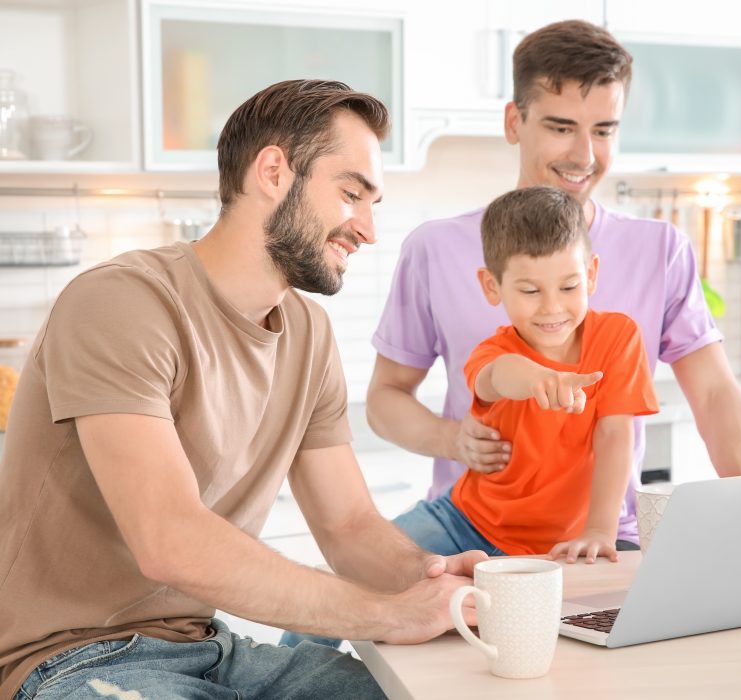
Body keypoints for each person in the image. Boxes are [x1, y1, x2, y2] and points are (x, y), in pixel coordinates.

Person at [0, 79, 486, 700]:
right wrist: (388, 614)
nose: (367, 228)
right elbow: (169, 541)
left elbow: (348, 526)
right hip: (70, 659)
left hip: (209, 649)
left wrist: (438, 580)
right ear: (274, 172)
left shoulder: (309, 334)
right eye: (350, 193)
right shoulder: (122, 303)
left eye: (373, 203)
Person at [367, 19, 741, 550]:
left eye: (604, 130)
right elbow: (384, 398)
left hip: (600, 542)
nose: (584, 155)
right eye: (561, 127)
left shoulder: (660, 250)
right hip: (468, 531)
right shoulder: (435, 249)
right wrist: (453, 439)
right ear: (514, 121)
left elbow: (715, 395)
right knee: (352, 585)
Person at [392, 185, 659, 564]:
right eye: (531, 290)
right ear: (492, 286)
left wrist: (600, 530)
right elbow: (498, 376)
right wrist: (540, 380)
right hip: (463, 523)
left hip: (566, 542)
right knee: (359, 575)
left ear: (592, 274)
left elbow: (616, 434)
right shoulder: (492, 353)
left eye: (569, 286)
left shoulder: (619, 337)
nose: (552, 307)